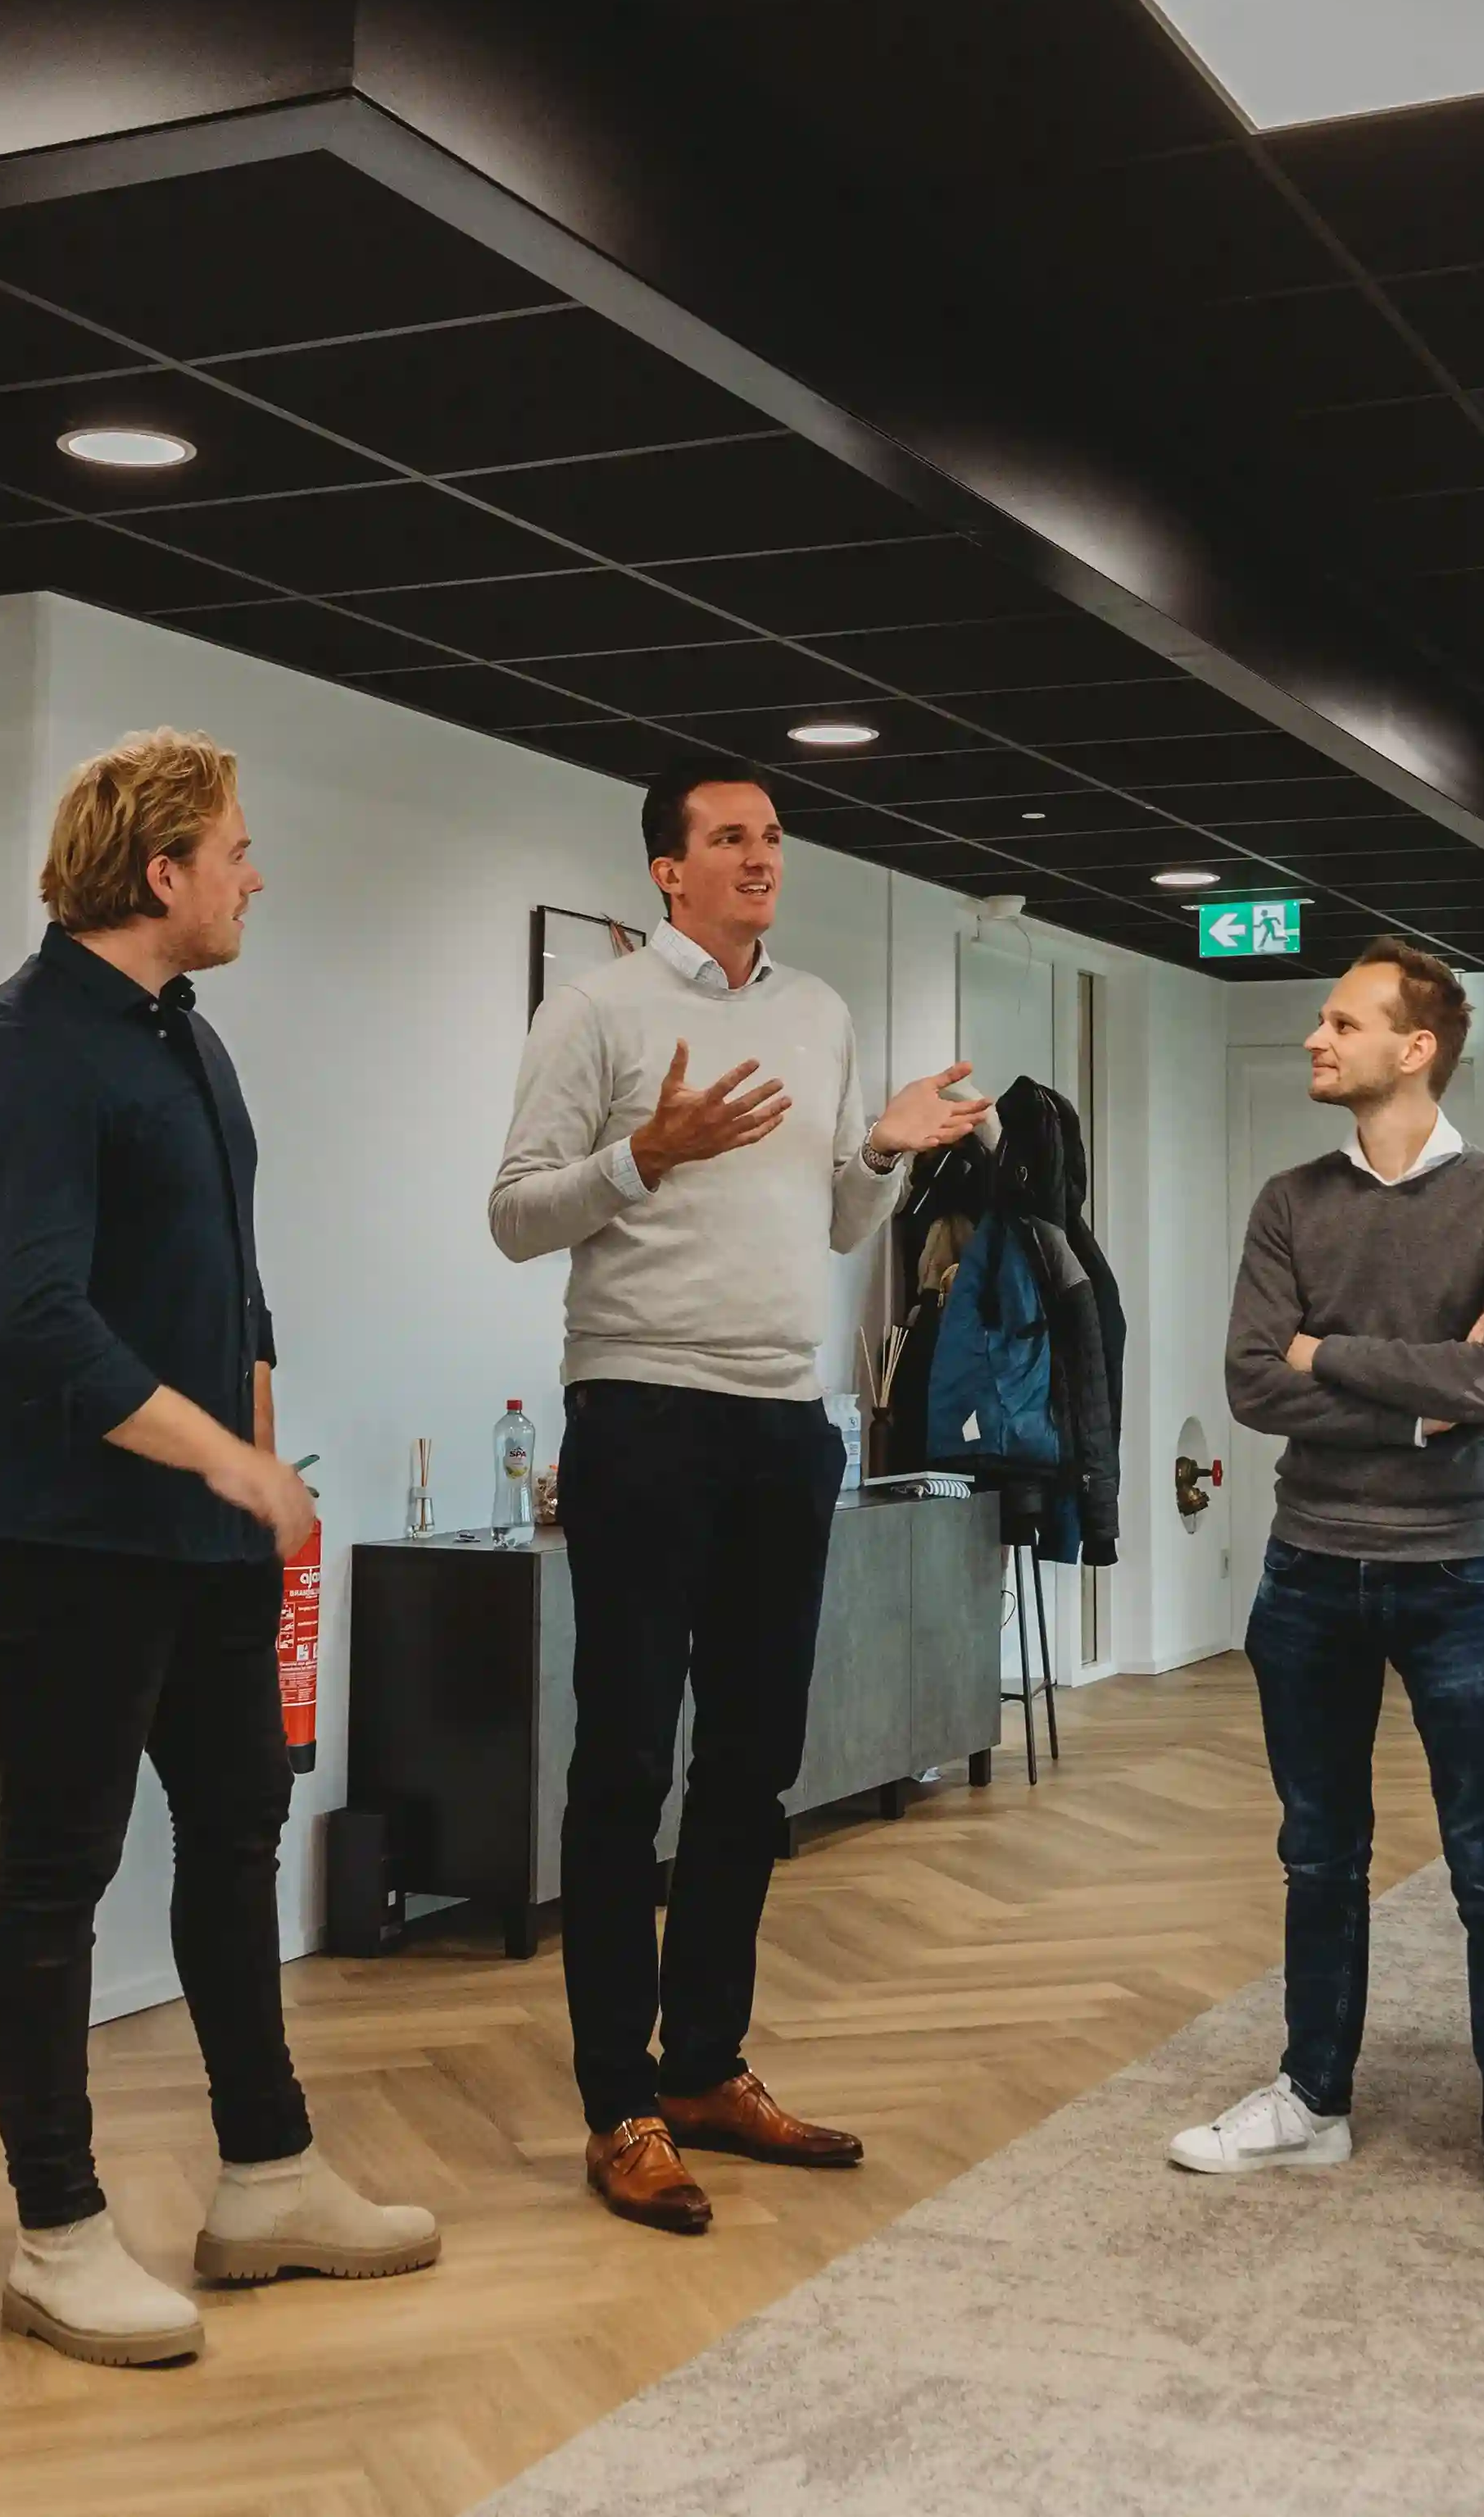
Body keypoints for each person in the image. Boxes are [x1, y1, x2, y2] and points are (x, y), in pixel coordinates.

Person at [0, 730, 434, 2365]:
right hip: (68, 1529)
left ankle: (266, 2174)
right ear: (159, 871)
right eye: (233, 848)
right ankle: (56, 2229)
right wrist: (222, 1453)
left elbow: (232, 1279)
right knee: (57, 1867)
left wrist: (257, 1445)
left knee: (234, 1835)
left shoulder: (190, 1045)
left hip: (207, 1526)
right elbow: (29, 1325)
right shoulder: (17, 1050)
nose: (254, 873)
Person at [488, 761, 989, 2233]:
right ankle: (617, 2104)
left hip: (785, 1421)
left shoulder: (821, 1013)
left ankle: (704, 2067)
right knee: (627, 1759)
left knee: (752, 1762)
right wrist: (645, 1155)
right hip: (641, 1409)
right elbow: (516, 1212)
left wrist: (888, 1148)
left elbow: (837, 1216)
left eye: (773, 836)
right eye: (729, 838)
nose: (761, 856)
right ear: (667, 870)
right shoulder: (597, 1010)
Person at [1178, 943, 1484, 2250]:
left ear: (1417, 1048)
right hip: (1307, 1570)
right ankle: (1313, 2096)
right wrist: (1416, 1400)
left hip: (1459, 1570)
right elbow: (1251, 1382)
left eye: (1341, 1020)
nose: (1314, 1036)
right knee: (1316, 1848)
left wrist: (1329, 1357)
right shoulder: (1290, 1200)